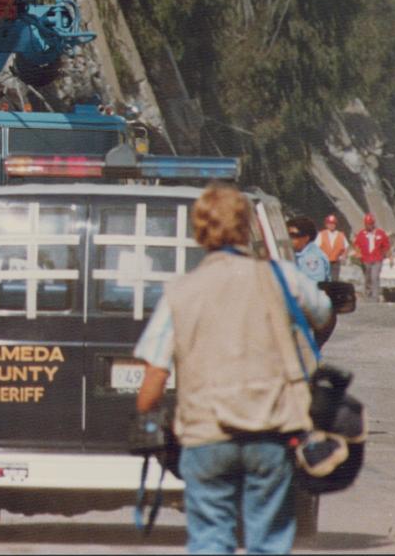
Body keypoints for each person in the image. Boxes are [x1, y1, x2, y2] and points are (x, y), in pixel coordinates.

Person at [134, 183, 334, 555]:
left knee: (211, 538)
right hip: (270, 432)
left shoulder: (181, 291)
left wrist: (147, 414)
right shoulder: (282, 278)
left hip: (206, 435)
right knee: (269, 540)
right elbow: (323, 311)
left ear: (200, 230)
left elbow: (153, 381)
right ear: (248, 228)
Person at [354, 213, 391, 301]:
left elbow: (386, 245)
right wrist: (358, 254)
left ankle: (375, 297)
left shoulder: (380, 233)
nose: (369, 226)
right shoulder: (361, 234)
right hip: (365, 260)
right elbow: (357, 245)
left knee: (375, 277)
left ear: (373, 224)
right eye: (367, 224)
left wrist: (389, 256)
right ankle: (368, 294)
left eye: (370, 224)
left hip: (377, 259)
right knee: (368, 278)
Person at [287, 215, 329, 283]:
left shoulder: (312, 258)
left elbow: (314, 288)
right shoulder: (297, 253)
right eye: (287, 235)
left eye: (293, 236)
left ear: (306, 238)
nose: (288, 239)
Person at [316, 214, 349, 280]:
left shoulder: (340, 235)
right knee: (325, 280)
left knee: (334, 281)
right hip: (324, 262)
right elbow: (315, 247)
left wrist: (343, 256)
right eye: (329, 223)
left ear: (335, 224)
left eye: (333, 223)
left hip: (335, 262)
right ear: (326, 224)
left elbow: (346, 246)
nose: (331, 225)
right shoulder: (321, 234)